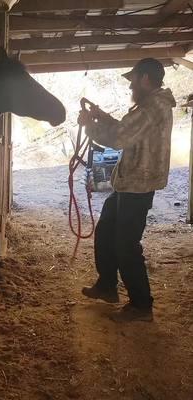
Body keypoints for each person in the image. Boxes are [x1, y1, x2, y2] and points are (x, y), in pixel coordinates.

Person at [78, 58, 176, 322]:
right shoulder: (149, 105)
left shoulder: (152, 107)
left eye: (133, 79)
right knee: (107, 230)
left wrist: (89, 124)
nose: (131, 84)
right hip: (129, 182)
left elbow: (119, 137)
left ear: (145, 78)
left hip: (138, 185)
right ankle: (108, 285)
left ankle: (142, 306)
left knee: (126, 245)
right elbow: (127, 130)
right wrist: (103, 117)